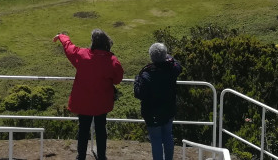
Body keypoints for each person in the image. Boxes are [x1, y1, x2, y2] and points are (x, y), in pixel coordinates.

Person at [53, 29, 124, 160]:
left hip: (84, 103)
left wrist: (62, 37)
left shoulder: (82, 55)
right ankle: (102, 156)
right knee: (101, 129)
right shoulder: (112, 60)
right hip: (102, 103)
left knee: (83, 130)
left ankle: (81, 156)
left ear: (93, 42)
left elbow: (70, 48)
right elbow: (118, 79)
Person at [133, 42, 183, 160]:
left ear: (151, 57)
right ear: (165, 56)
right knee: (168, 136)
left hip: (152, 113)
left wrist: (136, 81)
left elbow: (139, 94)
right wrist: (169, 57)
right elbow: (178, 66)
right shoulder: (172, 69)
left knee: (156, 140)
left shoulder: (146, 74)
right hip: (168, 110)